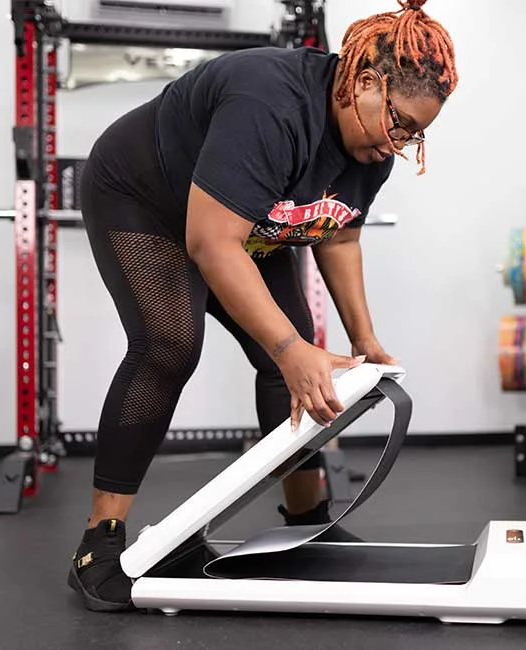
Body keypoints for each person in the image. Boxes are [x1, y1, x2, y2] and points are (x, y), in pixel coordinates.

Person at [67, 0, 459, 612]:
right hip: (146, 198)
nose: (400, 145)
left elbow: (339, 230)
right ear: (364, 83)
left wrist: (364, 341)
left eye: (416, 134)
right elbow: (209, 242)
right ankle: (100, 543)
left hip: (248, 217)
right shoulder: (270, 103)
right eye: (400, 124)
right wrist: (289, 348)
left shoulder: (371, 143)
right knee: (170, 344)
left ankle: (306, 527)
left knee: (298, 362)